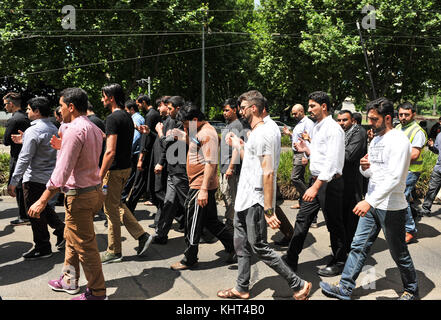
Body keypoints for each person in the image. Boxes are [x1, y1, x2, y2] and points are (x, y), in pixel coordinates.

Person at [320, 97, 419, 300]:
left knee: (398, 252)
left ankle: (411, 289)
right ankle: (345, 288)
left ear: (388, 118)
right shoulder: (376, 139)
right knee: (358, 246)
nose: (370, 123)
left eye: (374, 119)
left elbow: (395, 178)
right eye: (369, 118)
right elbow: (372, 173)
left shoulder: (399, 141)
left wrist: (369, 201)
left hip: (391, 207)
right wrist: (365, 168)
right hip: (373, 203)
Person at [217, 90, 311, 300]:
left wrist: (269, 210)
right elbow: (253, 160)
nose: (240, 111)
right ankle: (241, 288)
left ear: (253, 108)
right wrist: (240, 145)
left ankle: (299, 284)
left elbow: (268, 172)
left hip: (255, 199)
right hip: (245, 197)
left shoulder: (264, 133)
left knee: (258, 245)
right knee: (240, 244)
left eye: (242, 107)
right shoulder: (259, 130)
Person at [28, 87, 107, 300]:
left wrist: (43, 200)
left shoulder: (74, 129)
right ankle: (69, 281)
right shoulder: (93, 127)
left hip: (79, 195)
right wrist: (63, 145)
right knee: (71, 240)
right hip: (92, 191)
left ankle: (98, 292)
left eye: (62, 106)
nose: (60, 110)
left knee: (85, 247)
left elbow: (61, 171)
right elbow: (84, 156)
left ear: (71, 107)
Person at [284, 91, 347, 277]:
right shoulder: (318, 127)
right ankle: (291, 258)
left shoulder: (333, 129)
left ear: (324, 106)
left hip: (329, 183)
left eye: (312, 106)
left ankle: (339, 261)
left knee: (334, 224)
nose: (309, 109)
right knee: (302, 220)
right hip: (316, 181)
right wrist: (307, 150)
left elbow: (332, 162)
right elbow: (321, 156)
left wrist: (316, 187)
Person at [170, 102, 235, 270]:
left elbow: (211, 163)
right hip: (198, 184)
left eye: (186, 123)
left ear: (195, 119)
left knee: (192, 222)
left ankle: (189, 259)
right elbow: (194, 142)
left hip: (200, 186)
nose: (185, 127)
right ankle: (235, 248)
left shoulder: (207, 133)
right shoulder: (199, 131)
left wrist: (204, 190)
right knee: (211, 221)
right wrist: (181, 136)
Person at [99, 84, 152, 264]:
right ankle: (142, 235)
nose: (102, 99)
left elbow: (110, 151)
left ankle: (114, 251)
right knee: (117, 204)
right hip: (125, 168)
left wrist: (99, 175)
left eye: (103, 96)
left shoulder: (113, 118)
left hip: (113, 170)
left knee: (110, 209)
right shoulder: (128, 117)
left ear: (111, 97)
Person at [7, 97, 65, 260]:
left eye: (29, 109)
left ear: (37, 111)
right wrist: (24, 139)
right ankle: (62, 231)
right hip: (49, 177)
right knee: (43, 208)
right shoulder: (53, 127)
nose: (26, 111)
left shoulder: (34, 130)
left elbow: (24, 158)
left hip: (34, 178)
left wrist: (13, 181)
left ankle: (42, 246)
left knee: (34, 213)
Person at [153, 96, 188, 244]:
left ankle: (206, 231)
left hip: (181, 170)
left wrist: (160, 133)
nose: (168, 110)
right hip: (174, 170)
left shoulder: (183, 124)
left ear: (178, 108)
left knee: (189, 203)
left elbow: (168, 145)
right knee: (169, 202)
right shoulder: (177, 123)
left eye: (171, 108)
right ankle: (161, 235)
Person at [395, 102, 427, 244]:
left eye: (406, 115)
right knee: (402, 198)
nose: (403, 117)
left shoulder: (417, 131)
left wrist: (393, 156)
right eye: (401, 114)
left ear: (413, 114)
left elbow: (414, 154)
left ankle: (410, 230)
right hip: (399, 170)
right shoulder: (397, 127)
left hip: (411, 171)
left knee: (402, 198)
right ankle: (404, 225)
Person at [336, 110, 367, 251]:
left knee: (351, 214)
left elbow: (349, 155)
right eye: (339, 120)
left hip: (353, 179)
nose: (341, 123)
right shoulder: (340, 133)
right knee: (341, 213)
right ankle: (344, 242)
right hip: (341, 179)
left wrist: (332, 151)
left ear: (352, 121)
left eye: (344, 120)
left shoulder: (359, 132)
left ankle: (350, 245)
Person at [125, 94, 162, 212]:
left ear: (144, 102)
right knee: (146, 185)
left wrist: (141, 157)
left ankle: (128, 212)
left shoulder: (151, 115)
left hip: (147, 155)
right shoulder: (152, 114)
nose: (138, 106)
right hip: (150, 154)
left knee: (138, 184)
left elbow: (146, 139)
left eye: (139, 104)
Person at [3, 92, 31, 225]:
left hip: (17, 155)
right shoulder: (26, 117)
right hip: (27, 154)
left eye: (5, 104)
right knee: (24, 185)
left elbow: (6, 141)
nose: (4, 108)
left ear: (11, 104)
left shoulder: (14, 120)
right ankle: (26, 213)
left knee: (18, 186)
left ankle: (23, 215)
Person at [282, 104, 314, 210]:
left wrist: (305, 156)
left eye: (295, 113)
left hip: (302, 154)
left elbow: (309, 140)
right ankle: (302, 202)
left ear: (301, 111)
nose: (294, 115)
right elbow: (299, 138)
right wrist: (290, 134)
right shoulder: (300, 123)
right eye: (293, 113)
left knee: (295, 177)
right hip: (297, 153)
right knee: (299, 178)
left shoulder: (308, 123)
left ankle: (309, 199)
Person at [219, 98, 244, 230]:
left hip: (230, 167)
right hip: (223, 167)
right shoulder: (228, 125)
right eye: (223, 110)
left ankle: (231, 222)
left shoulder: (237, 125)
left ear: (235, 110)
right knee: (225, 193)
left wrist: (231, 167)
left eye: (227, 110)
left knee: (230, 196)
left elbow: (237, 148)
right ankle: (230, 220)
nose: (224, 113)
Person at [121, 99, 145, 203]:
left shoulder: (136, 119)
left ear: (131, 109)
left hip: (135, 152)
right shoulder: (136, 118)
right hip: (136, 151)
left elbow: (136, 137)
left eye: (126, 110)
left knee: (131, 177)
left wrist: (128, 150)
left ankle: (122, 198)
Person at [418, 131, 441, 217]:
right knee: (432, 189)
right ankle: (425, 209)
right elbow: (437, 151)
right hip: (438, 169)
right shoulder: (439, 135)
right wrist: (432, 146)